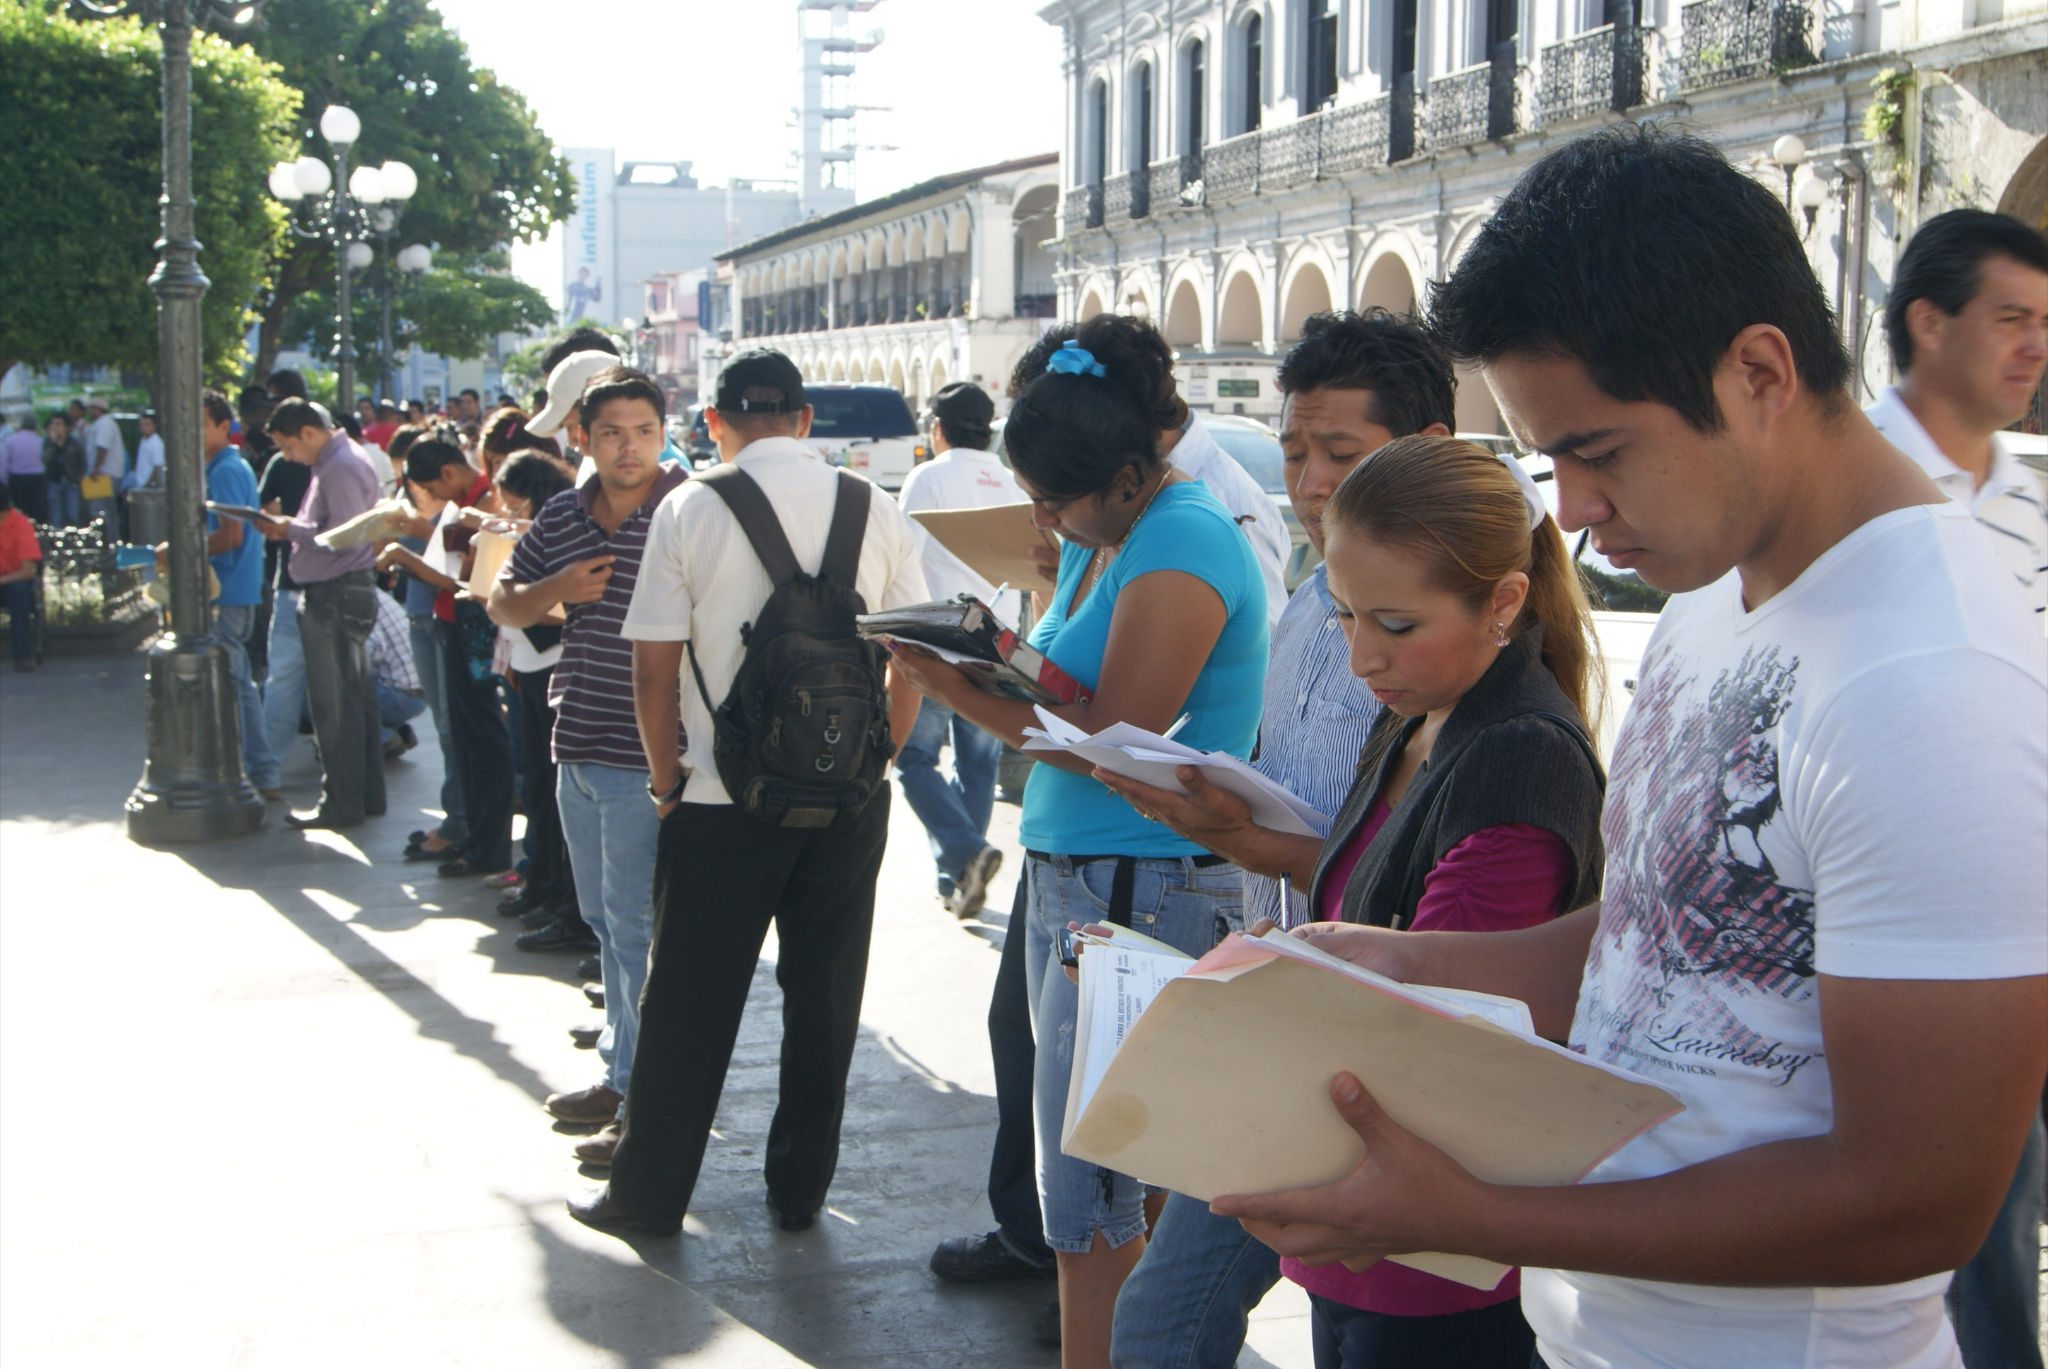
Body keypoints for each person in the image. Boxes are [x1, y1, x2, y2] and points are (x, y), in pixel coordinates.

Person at [1211, 124, 2046, 1369]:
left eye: (1596, 452)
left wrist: (1471, 1217)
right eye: (1551, 457)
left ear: (1757, 372)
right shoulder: (1719, 588)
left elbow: (1917, 1193)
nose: (1574, 513)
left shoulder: (1936, 673)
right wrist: (1393, 960)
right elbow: (1665, 931)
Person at [1103, 435, 1606, 1366]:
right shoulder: (1421, 708)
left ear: (1504, 601)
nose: (1363, 654)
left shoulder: (1516, 753)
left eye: (1396, 624)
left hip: (1427, 1250)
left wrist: (1268, 989)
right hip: (1366, 1223)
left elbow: (1433, 1031)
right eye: (1343, 617)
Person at [890, 317, 1269, 1368]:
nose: (1045, 518)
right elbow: (1067, 687)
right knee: (1094, 1178)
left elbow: (1116, 738)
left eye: (1057, 498)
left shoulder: (1183, 534)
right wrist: (995, 649)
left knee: (1098, 1189)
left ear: (1131, 470)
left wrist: (963, 690)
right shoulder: (1113, 539)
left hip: (1137, 882)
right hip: (1092, 875)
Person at [1101, 308, 1456, 1368]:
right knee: (1171, 1315)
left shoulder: (1453, 638)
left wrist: (1275, 850)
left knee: (1174, 1321)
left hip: (1362, 1043)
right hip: (1277, 1002)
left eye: (1338, 454)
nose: (1306, 480)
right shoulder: (1314, 597)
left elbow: (1443, 875)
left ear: (1427, 451)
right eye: (1294, 450)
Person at [569, 348, 927, 1237]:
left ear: (715, 425)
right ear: (807, 422)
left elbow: (651, 671)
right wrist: (874, 766)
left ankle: (647, 1197)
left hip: (721, 801)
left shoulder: (690, 506)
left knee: (688, 1001)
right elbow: (914, 661)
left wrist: (665, 781)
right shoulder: (874, 507)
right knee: (827, 995)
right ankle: (800, 1189)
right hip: (847, 801)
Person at [1866, 207, 2048, 1368]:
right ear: (1927, 323)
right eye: (2011, 319)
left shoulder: (2024, 501)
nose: (2033, 348)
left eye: (2043, 324)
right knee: (1977, 1213)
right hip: (1922, 922)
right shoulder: (1858, 489)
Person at [490, 368, 690, 1166]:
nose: (629, 446)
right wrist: (558, 587)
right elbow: (503, 602)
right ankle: (619, 1071)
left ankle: (643, 1099)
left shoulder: (688, 509)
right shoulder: (564, 515)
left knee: (638, 927)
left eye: (643, 430)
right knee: (606, 920)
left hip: (654, 756)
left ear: (662, 433)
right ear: (582, 437)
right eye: (611, 432)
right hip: (576, 739)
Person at [892, 381, 1023, 917]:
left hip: (939, 640)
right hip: (999, 642)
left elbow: (901, 563)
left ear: (937, 429)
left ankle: (967, 852)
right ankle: (960, 877)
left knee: (913, 758)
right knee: (978, 763)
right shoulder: (1012, 481)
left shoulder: (928, 477)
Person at [376, 439, 513, 876]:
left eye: (433, 489)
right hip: (456, 627)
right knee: (469, 740)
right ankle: (475, 838)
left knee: (482, 742)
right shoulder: (467, 503)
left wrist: (403, 556)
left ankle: (486, 846)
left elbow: (463, 577)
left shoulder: (484, 502)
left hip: (474, 632)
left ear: (449, 474)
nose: (436, 499)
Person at [253, 399, 387, 831]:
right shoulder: (339, 461)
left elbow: (343, 536)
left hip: (335, 593)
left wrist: (288, 528)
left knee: (335, 705)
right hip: (341, 590)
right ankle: (362, 797)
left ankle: (342, 803)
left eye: (289, 447)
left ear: (308, 433)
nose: (288, 457)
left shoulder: (340, 466)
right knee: (350, 700)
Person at [199, 389, 281, 799]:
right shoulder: (225, 465)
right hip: (236, 586)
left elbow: (230, 535)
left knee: (238, 682)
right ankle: (258, 769)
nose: (192, 433)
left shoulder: (226, 470)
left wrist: (181, 551)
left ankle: (261, 770)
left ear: (221, 425)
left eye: (200, 423)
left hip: (231, 589)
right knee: (237, 679)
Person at [367, 583, 424, 756]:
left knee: (329, 687)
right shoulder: (375, 593)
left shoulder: (355, 599)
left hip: (400, 695)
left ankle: (383, 737)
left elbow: (370, 649)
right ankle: (397, 731)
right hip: (418, 691)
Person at [0, 484, 40, 671]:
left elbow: (27, 571)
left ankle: (22, 655)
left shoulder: (20, 524)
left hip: (12, 583)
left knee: (19, 593)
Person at [82, 396, 126, 531]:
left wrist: (95, 468)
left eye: (92, 409)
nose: (89, 412)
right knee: (101, 508)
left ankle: (109, 540)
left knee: (102, 509)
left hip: (104, 474)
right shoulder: (98, 424)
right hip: (102, 473)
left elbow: (102, 447)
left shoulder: (105, 423)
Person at [41, 414, 85, 529]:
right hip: (54, 482)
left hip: (71, 482)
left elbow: (82, 462)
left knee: (73, 515)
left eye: (59, 424)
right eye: (53, 424)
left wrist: (78, 479)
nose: (56, 427)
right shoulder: (48, 442)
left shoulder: (74, 443)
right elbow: (45, 459)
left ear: (67, 427)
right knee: (56, 517)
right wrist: (54, 443)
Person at [3, 414, 46, 526]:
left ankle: (21, 528)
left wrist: (4, 481)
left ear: (22, 425)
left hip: (17, 479)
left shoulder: (10, 440)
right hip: (37, 478)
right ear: (34, 427)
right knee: (37, 508)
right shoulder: (40, 441)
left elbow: (4, 463)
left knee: (20, 508)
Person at [129, 411, 164, 490]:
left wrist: (148, 484)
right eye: (142, 425)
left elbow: (157, 466)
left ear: (154, 426)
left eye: (147, 425)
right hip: (139, 482)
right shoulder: (143, 440)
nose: (143, 428)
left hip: (148, 486)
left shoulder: (156, 443)